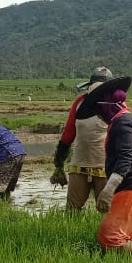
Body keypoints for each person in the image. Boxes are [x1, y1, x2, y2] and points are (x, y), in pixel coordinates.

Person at [84, 74, 132, 257]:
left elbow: (125, 158)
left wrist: (108, 190)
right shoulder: (122, 120)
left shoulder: (123, 124)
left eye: (99, 111)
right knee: (124, 233)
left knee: (110, 237)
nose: (99, 116)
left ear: (107, 106)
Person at [51, 67, 115, 210]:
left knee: (108, 210)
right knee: (72, 210)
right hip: (79, 164)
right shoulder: (79, 103)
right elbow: (68, 135)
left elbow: (122, 134)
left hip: (105, 166)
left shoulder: (115, 105)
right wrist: (59, 163)